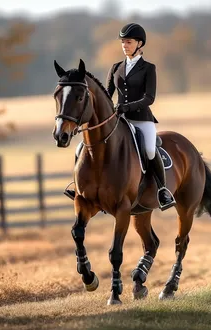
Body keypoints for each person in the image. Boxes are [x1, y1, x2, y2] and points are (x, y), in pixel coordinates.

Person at [64, 23, 176, 211]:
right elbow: (106, 94)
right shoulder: (116, 67)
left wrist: (127, 106)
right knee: (81, 147)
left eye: (128, 42)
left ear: (139, 44)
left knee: (149, 149)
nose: (124, 45)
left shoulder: (149, 68)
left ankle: (162, 191)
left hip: (141, 119)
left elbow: (149, 98)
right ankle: (78, 187)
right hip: (118, 120)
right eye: (123, 42)